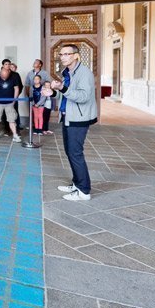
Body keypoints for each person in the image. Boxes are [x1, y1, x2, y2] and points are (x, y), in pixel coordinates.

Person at [44, 44, 97, 201]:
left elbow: (83, 97)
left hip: (78, 118)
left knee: (75, 153)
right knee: (70, 152)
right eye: (61, 54)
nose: (63, 57)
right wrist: (53, 92)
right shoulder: (67, 72)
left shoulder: (84, 73)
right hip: (68, 116)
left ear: (75, 55)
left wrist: (62, 88)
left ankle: (84, 191)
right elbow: (65, 95)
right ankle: (77, 183)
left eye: (67, 54)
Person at [0, 66, 22, 143]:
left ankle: (15, 135)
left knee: (12, 119)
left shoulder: (13, 78)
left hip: (9, 103)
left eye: (6, 77)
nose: (4, 78)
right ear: (0, 73)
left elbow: (16, 89)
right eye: (3, 77)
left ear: (9, 73)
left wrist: (14, 100)